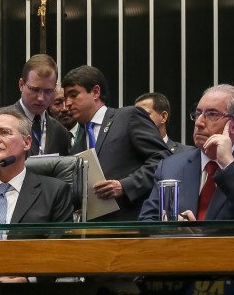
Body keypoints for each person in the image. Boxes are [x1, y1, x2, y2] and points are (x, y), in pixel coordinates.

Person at [139, 85, 234, 221]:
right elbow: (146, 221)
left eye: (212, 114)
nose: (199, 122)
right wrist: (172, 228)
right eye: (198, 113)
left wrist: (228, 164)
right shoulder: (170, 166)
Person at [61, 65, 169, 220]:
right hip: (93, 231)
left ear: (96, 92)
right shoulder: (75, 141)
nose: (67, 104)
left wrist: (125, 185)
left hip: (132, 224)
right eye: (65, 98)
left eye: (73, 95)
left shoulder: (128, 117)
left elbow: (163, 159)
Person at [0, 54, 71, 160]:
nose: (41, 98)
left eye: (48, 91)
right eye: (34, 89)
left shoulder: (60, 132)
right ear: (21, 85)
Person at [49, 86, 84, 152]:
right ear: (49, 107)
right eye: (57, 103)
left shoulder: (89, 132)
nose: (64, 108)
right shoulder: (45, 138)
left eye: (68, 102)